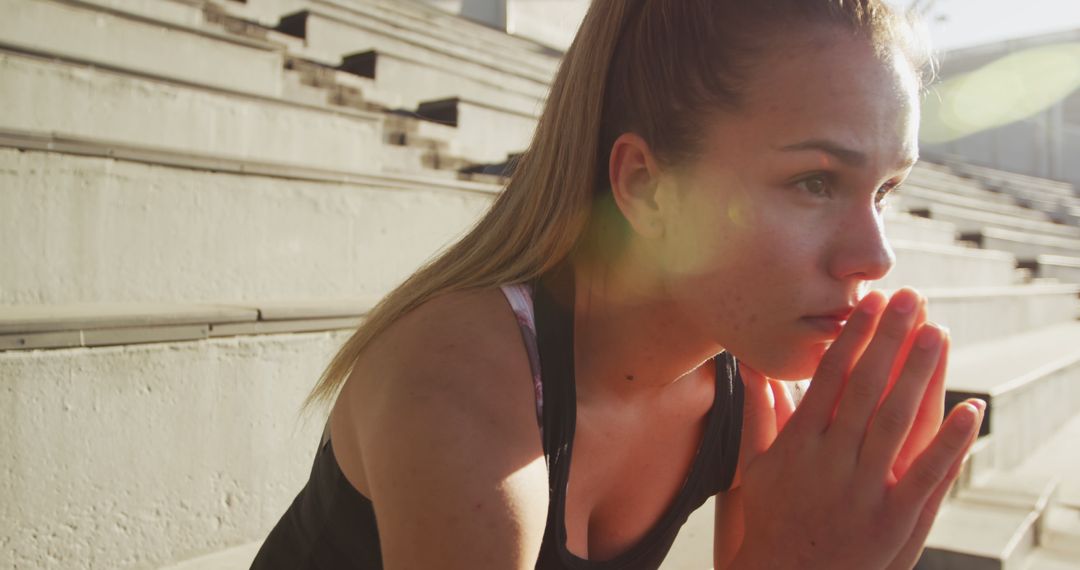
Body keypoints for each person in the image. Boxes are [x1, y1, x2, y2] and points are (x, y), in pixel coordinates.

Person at [252, 0, 986, 568]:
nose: (876, 255)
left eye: (886, 188)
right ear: (648, 187)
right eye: (815, 181)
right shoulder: (458, 389)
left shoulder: (754, 400)